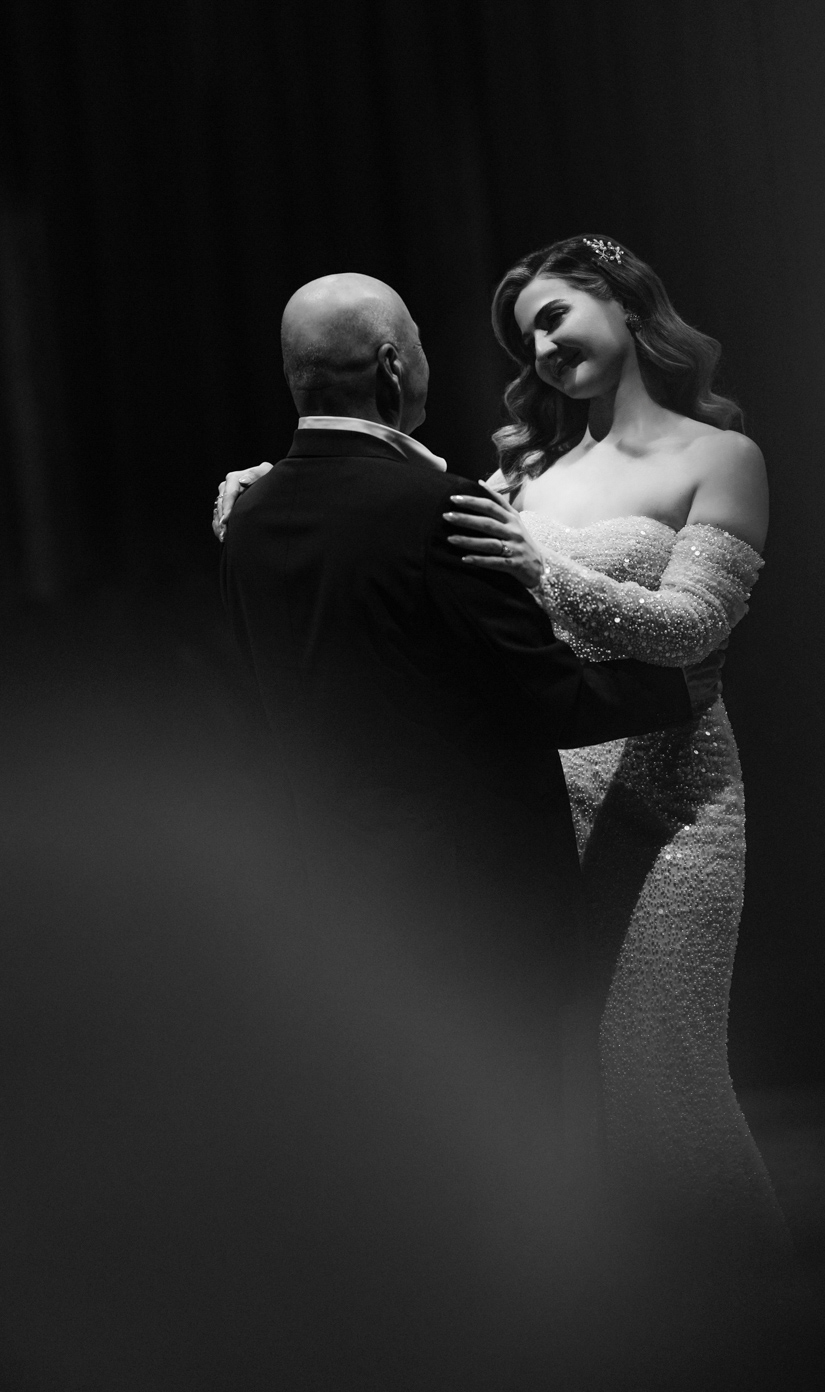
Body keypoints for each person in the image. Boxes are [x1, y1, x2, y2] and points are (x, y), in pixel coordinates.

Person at [215, 242, 793, 1271]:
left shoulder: (721, 457)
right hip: (549, 798)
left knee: (664, 1083)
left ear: (627, 303)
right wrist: (285, 484)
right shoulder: (522, 472)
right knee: (565, 1104)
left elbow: (695, 631)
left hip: (668, 797)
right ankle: (631, 1323)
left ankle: (749, 1307)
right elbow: (395, 517)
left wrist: (543, 568)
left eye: (556, 313)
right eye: (527, 334)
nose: (542, 344)